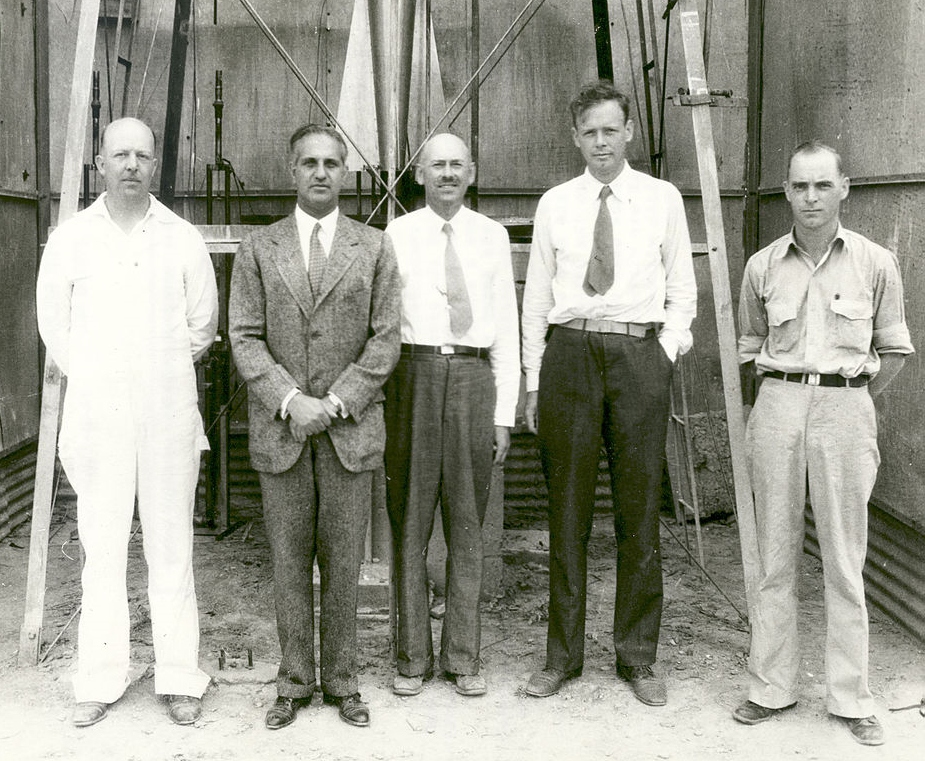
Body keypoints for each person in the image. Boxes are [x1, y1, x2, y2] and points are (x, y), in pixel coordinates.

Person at [35, 117, 218, 727]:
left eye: (142, 154)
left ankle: (180, 677)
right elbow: (53, 327)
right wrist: (103, 376)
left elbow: (201, 329)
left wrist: (153, 374)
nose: (132, 165)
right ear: (100, 162)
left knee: (172, 547)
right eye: (121, 155)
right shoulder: (70, 239)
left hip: (167, 413)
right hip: (98, 416)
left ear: (155, 162)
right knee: (103, 549)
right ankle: (100, 678)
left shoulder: (182, 237)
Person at [520, 80, 696, 705]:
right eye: (589, 131)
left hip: (637, 354)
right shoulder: (556, 204)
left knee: (638, 507)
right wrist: (535, 377)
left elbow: (683, 287)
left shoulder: (662, 198)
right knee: (566, 509)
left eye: (610, 129)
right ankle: (561, 658)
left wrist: (664, 353)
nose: (600, 141)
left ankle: (637, 657)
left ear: (629, 133)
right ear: (576, 137)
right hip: (570, 353)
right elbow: (537, 295)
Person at [733, 141, 913, 746]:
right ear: (786, 192)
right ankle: (770, 686)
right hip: (778, 404)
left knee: (843, 556)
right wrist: (788, 398)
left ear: (844, 189)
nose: (810, 198)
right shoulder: (762, 266)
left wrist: (849, 398)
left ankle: (850, 695)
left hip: (844, 408)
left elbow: (893, 350)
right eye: (799, 186)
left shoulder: (875, 262)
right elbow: (747, 344)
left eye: (821, 186)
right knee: (773, 556)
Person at [229, 124, 400, 730]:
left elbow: (385, 340)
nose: (321, 172)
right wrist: (290, 399)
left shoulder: (374, 247)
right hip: (284, 432)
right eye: (309, 163)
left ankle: (344, 681)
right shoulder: (258, 248)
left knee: (344, 560)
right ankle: (295, 681)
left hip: (349, 431)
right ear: (291, 171)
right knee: (288, 561)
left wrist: (338, 400)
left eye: (331, 163)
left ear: (345, 172)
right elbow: (244, 336)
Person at [383, 134, 519, 698]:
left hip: (472, 377)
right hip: (411, 376)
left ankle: (463, 658)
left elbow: (507, 329)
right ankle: (412, 658)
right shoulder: (396, 234)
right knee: (410, 523)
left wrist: (504, 412)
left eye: (455, 165)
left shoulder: (492, 236)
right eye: (435, 165)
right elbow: (383, 321)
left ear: (471, 171)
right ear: (419, 174)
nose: (445, 174)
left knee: (468, 526)